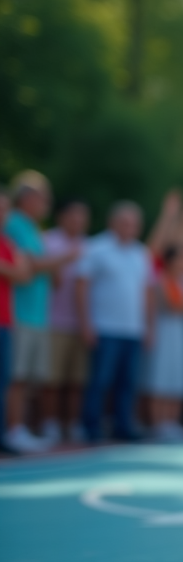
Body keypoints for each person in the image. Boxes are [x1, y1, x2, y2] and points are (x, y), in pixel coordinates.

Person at [6, 176, 79, 451]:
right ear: (25, 198)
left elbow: (45, 270)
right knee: (17, 376)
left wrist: (55, 267)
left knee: (28, 379)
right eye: (42, 196)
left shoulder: (36, 230)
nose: (46, 202)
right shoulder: (14, 224)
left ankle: (21, 428)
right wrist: (63, 259)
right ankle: (13, 431)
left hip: (38, 315)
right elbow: (29, 266)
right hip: (20, 313)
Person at [76, 202, 153, 444]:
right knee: (100, 380)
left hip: (132, 329)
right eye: (124, 222)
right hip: (105, 327)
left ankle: (123, 425)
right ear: (112, 223)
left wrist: (148, 326)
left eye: (133, 224)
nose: (129, 228)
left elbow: (146, 292)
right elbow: (82, 287)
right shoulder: (96, 249)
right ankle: (91, 426)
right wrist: (86, 323)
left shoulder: (141, 253)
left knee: (127, 382)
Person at [42, 200, 90, 444]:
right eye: (73, 215)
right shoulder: (48, 241)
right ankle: (49, 423)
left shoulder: (91, 247)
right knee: (51, 379)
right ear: (61, 217)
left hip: (82, 325)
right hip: (53, 321)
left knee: (77, 380)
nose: (78, 221)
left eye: (82, 216)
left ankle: (71, 424)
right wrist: (62, 261)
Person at [142, 246, 183, 442]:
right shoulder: (160, 280)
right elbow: (171, 306)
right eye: (180, 259)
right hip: (163, 332)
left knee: (178, 375)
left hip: (180, 333)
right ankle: (158, 423)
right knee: (160, 375)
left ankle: (172, 422)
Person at [0, 195, 31, 453]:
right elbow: (17, 270)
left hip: (5, 322)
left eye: (5, 210)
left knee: (4, 381)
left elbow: (23, 274)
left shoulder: (7, 243)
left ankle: (3, 435)